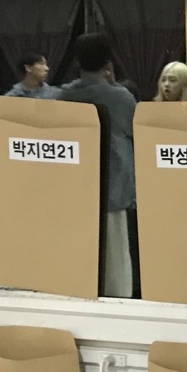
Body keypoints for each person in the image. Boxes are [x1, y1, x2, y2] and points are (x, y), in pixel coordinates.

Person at [63, 33, 137, 297]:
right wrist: (113, 84)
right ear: (108, 62)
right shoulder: (121, 98)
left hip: (75, 190)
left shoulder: (63, 97)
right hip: (113, 190)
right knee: (116, 269)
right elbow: (134, 133)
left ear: (77, 61)